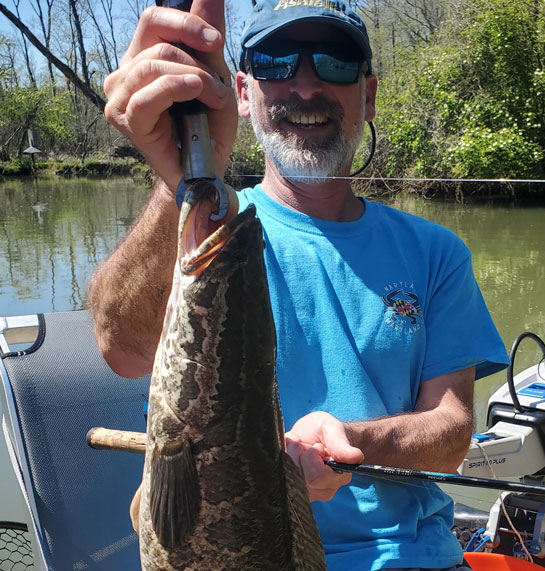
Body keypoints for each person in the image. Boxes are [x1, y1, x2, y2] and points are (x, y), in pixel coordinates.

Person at [90, 0, 509, 569]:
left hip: (412, 555)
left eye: (334, 62)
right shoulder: (219, 234)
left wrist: (350, 439)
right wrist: (179, 181)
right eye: (276, 62)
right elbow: (122, 349)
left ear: (368, 94)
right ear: (243, 92)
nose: (306, 85)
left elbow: (453, 434)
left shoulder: (436, 252)